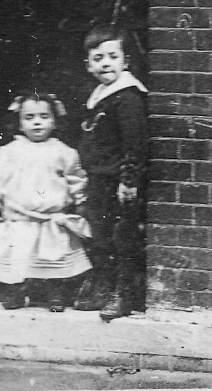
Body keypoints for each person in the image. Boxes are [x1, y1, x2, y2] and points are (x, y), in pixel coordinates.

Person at [0, 92, 91, 312]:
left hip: (49, 219)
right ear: (19, 123)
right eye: (29, 117)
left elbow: (76, 179)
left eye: (44, 116)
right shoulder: (8, 152)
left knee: (53, 259)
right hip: (19, 217)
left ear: (54, 121)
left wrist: (80, 199)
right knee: (16, 258)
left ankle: (55, 295)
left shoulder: (65, 153)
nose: (37, 122)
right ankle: (15, 292)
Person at [73, 25, 148, 322]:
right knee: (101, 236)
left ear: (125, 62)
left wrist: (128, 180)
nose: (106, 63)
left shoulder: (127, 98)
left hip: (118, 182)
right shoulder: (100, 97)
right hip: (98, 180)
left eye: (112, 57)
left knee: (123, 238)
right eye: (98, 58)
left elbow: (135, 143)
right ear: (89, 65)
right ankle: (104, 287)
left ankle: (125, 295)